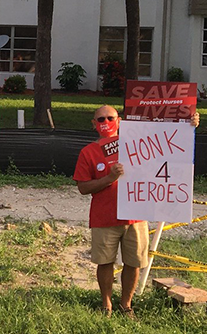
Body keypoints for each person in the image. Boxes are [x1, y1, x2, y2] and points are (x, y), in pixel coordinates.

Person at [74, 105, 199, 318]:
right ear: (94, 124)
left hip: (136, 215)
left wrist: (188, 126)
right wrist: (109, 179)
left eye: (110, 118)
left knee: (134, 262)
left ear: (119, 120)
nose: (106, 123)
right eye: (101, 120)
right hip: (104, 217)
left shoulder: (137, 144)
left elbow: (168, 144)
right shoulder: (88, 152)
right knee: (104, 262)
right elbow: (83, 188)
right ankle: (106, 305)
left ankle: (126, 305)